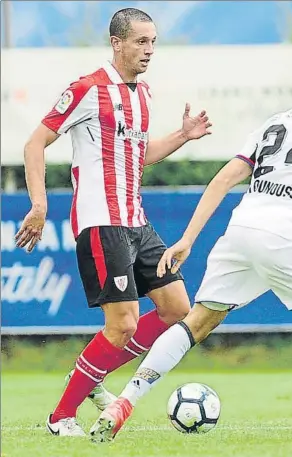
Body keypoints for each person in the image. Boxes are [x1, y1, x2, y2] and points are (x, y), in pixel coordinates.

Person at [89, 58, 292, 444]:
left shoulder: (274, 122)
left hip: (240, 230)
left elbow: (224, 179)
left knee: (196, 323)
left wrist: (188, 239)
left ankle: (124, 402)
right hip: (286, 236)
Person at [15, 8, 212, 437]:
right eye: (141, 41)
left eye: (154, 41)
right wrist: (39, 205)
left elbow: (138, 155)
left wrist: (182, 136)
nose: (149, 50)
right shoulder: (87, 89)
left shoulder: (143, 94)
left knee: (177, 308)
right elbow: (35, 142)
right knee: (122, 324)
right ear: (117, 43)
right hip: (101, 222)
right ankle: (60, 418)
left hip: (137, 221)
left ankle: (93, 372)